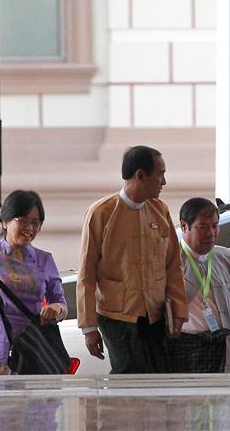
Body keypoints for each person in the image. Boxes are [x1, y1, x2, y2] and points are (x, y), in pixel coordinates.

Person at [76, 145, 188, 373]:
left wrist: (178, 311)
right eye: (160, 174)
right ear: (140, 175)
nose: (164, 182)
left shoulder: (160, 211)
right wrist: (89, 328)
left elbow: (173, 266)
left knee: (157, 381)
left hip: (156, 315)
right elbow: (86, 274)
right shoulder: (101, 213)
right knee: (128, 379)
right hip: (117, 316)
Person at [0, 190, 67, 375]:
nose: (30, 228)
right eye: (23, 220)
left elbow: (61, 304)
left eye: (36, 222)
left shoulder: (45, 260)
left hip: (34, 346)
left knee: (35, 402)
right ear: (5, 221)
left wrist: (56, 309)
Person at [167, 197, 230, 373]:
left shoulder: (224, 257)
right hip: (184, 347)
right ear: (184, 226)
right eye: (203, 227)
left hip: (220, 345)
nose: (211, 233)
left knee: (222, 398)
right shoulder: (170, 260)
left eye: (215, 226)